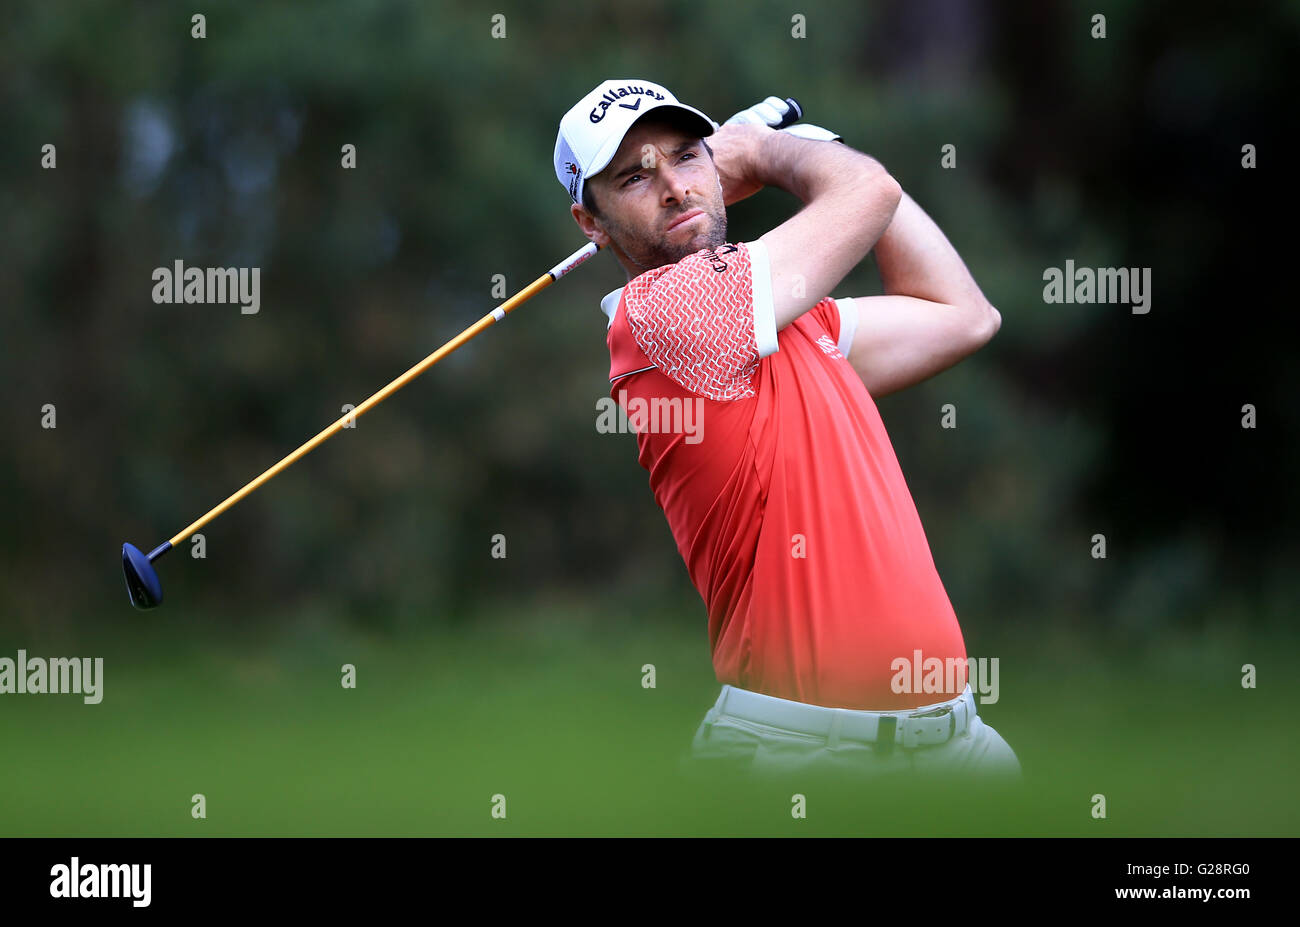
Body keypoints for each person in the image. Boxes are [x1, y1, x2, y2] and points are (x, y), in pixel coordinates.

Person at [554, 79, 1019, 782]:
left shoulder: (795, 324)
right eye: (634, 178)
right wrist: (772, 151)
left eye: (686, 157)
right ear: (592, 223)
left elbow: (962, 313)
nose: (675, 188)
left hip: (957, 742)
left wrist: (811, 149)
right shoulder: (664, 316)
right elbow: (870, 194)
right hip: (804, 759)